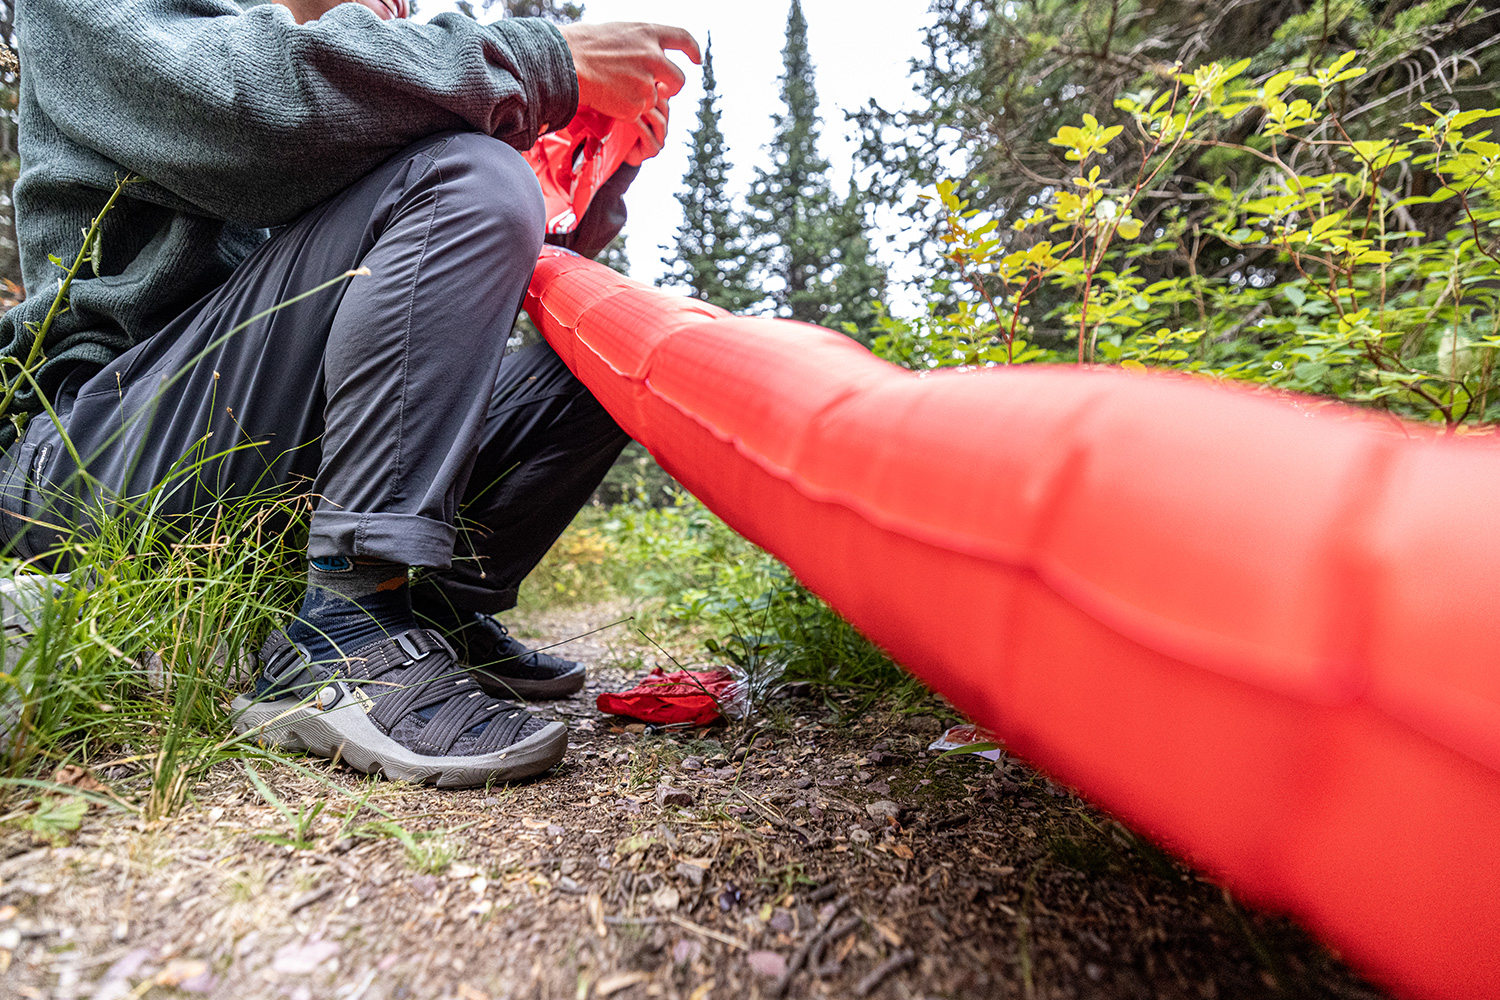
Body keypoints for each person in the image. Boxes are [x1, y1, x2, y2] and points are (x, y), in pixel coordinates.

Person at [0, 0, 700, 785]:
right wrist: (547, 63)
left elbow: (437, 287)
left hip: (249, 436)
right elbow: (246, 109)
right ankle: (343, 628)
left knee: (600, 359)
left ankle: (425, 601)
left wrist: (593, 168)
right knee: (467, 176)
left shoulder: (309, 59)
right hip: (96, 450)